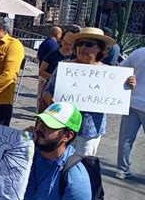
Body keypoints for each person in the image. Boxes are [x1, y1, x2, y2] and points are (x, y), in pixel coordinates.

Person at [43, 27, 136, 156]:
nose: (83, 47)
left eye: (89, 44)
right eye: (80, 44)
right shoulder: (64, 67)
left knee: (83, 166)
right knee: (58, 162)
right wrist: (50, 100)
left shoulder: (109, 72)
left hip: (89, 131)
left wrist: (128, 85)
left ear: (100, 48)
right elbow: (47, 91)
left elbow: (117, 96)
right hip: (62, 127)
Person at [116, 46, 145, 179]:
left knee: (126, 139)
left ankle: (122, 170)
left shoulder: (139, 52)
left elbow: (120, 69)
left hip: (132, 101)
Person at [37, 29, 77, 112]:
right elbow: (41, 71)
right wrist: (54, 77)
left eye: (71, 43)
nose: (67, 46)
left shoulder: (76, 57)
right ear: (61, 40)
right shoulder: (53, 54)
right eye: (65, 42)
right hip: (51, 90)